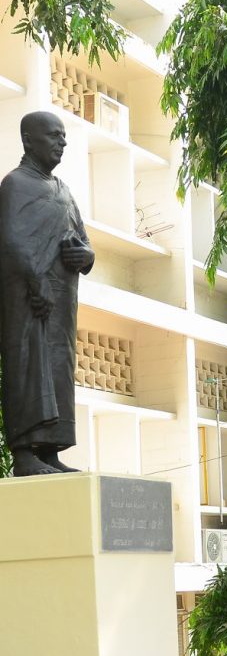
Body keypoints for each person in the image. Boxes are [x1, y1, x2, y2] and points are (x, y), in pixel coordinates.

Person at [0, 111, 94, 477]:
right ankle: (25, 453)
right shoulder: (15, 184)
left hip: (62, 301)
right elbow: (10, 241)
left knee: (58, 369)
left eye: (64, 135)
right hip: (28, 300)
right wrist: (34, 280)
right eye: (54, 135)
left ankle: (50, 450)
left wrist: (86, 256)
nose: (62, 142)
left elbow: (83, 240)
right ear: (28, 140)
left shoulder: (64, 191)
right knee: (27, 365)